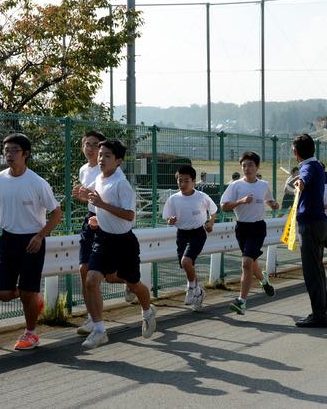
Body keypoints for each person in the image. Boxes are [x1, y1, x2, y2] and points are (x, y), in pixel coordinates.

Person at [0, 133, 63, 350]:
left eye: (14, 150)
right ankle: (33, 300)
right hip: (8, 240)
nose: (9, 154)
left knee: (26, 291)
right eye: (6, 150)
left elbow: (56, 214)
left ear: (26, 154)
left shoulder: (37, 182)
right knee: (3, 294)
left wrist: (40, 236)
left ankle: (31, 333)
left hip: (32, 240)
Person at [78, 139, 156, 349]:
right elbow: (95, 203)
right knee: (91, 280)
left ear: (119, 161)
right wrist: (94, 211)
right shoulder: (100, 178)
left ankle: (148, 311)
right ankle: (99, 330)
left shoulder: (122, 184)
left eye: (107, 155)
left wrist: (102, 205)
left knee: (132, 283)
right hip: (103, 239)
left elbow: (129, 215)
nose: (101, 158)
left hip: (124, 242)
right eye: (101, 154)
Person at [71, 131, 135, 336]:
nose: (90, 148)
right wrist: (83, 197)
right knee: (84, 269)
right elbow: (91, 199)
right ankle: (92, 318)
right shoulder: (84, 170)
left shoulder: (113, 175)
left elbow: (118, 206)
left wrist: (98, 207)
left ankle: (130, 282)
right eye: (87, 144)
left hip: (107, 222)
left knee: (109, 275)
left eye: (95, 145)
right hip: (91, 220)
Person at [292, 134, 327, 328]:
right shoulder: (318, 167)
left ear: (296, 152)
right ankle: (319, 312)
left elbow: (303, 179)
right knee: (318, 269)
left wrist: (300, 183)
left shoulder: (307, 167)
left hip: (310, 224)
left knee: (312, 271)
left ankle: (319, 315)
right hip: (321, 223)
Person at [220, 151, 280, 315]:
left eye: (250, 165)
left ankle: (242, 301)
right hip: (241, 228)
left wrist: (273, 204)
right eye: (244, 165)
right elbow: (224, 206)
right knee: (251, 262)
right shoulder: (236, 185)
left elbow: (269, 199)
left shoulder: (263, 185)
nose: (247, 168)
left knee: (246, 263)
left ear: (257, 167)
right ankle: (263, 279)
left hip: (258, 228)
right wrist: (240, 201)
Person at [163, 164, 217, 311]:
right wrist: (170, 220)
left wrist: (210, 223)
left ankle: (191, 288)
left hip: (198, 233)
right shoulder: (173, 199)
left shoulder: (201, 197)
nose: (182, 184)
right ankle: (198, 294)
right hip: (181, 234)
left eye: (186, 181)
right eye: (180, 180)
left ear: (193, 181)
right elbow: (167, 218)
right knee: (188, 266)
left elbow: (213, 211)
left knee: (186, 261)